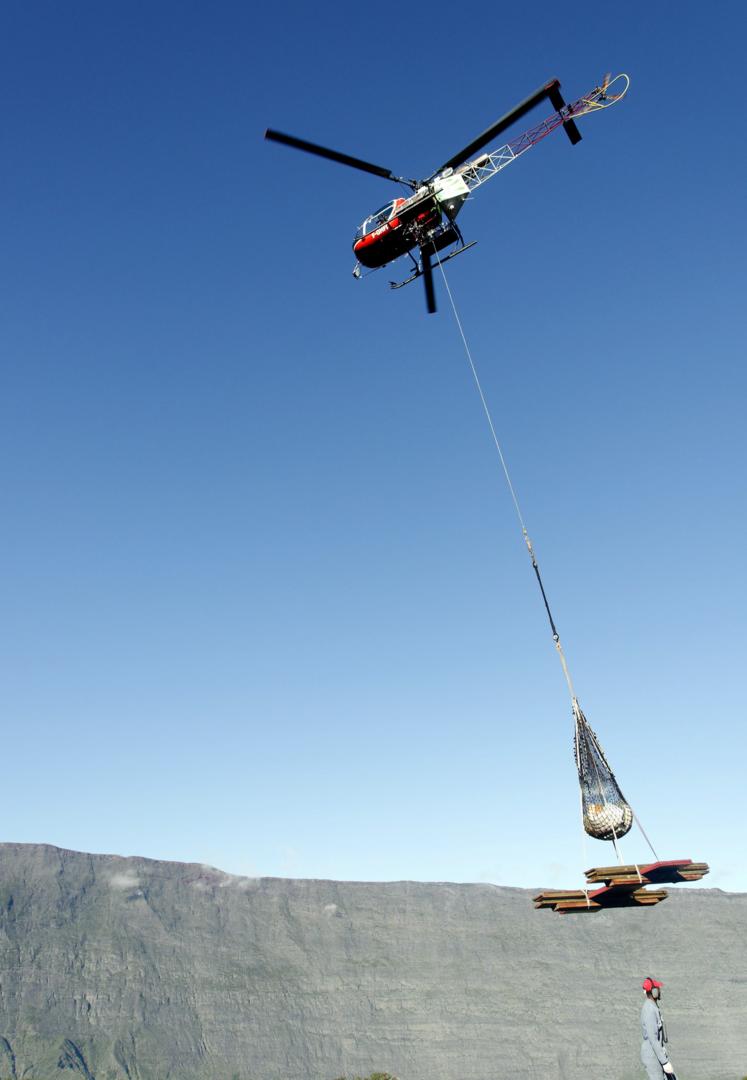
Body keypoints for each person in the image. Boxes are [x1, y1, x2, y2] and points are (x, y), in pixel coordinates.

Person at [640, 976, 675, 1080]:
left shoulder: (654, 1007)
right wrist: (664, 1063)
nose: (659, 990)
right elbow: (653, 1039)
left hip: (659, 1053)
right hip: (652, 1056)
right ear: (653, 991)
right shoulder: (649, 1010)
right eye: (657, 988)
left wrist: (664, 1059)